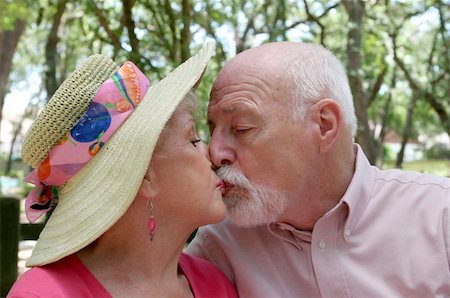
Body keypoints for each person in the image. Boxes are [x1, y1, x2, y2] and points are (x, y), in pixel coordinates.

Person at [186, 41, 450, 297]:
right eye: (211, 131)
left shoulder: (440, 217)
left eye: (241, 128)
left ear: (324, 125)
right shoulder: (219, 246)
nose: (215, 152)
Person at [8, 42, 237, 297]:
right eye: (193, 139)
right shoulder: (44, 294)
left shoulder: (217, 284)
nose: (213, 154)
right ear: (145, 177)